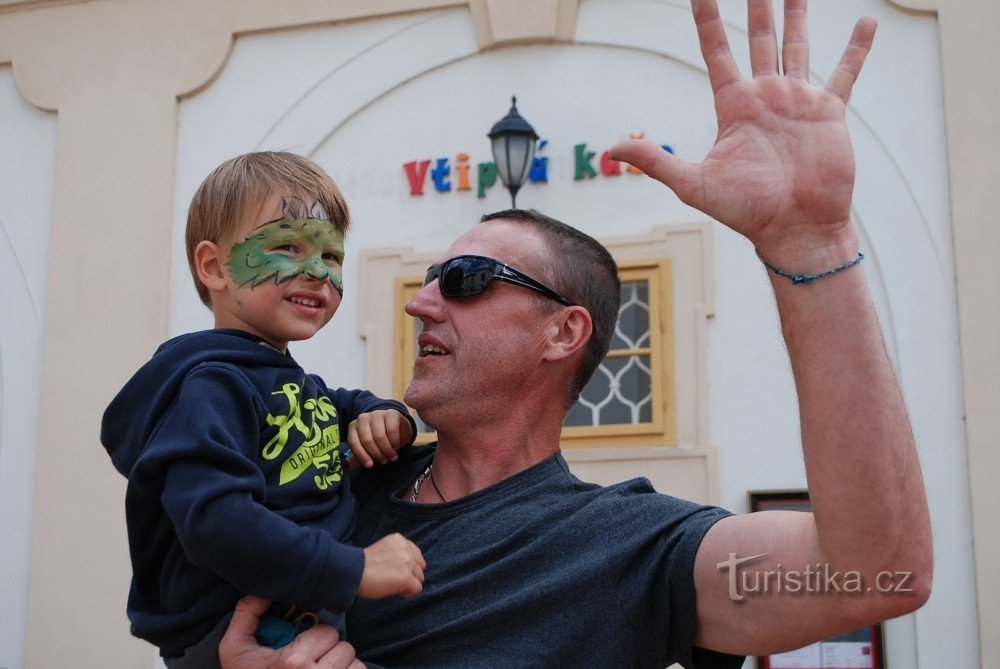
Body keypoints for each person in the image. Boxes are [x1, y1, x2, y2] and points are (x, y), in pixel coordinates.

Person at [220, 0, 933, 666]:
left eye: (464, 278)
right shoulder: (334, 479)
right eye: (428, 278)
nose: (422, 304)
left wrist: (814, 242)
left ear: (563, 332)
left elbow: (872, 576)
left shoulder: (629, 548)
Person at [101, 152, 426, 667]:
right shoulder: (211, 384)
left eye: (333, 256)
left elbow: (342, 404)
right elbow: (215, 519)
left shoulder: (286, 381)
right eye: (287, 247)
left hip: (296, 609)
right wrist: (353, 569)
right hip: (233, 625)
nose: (318, 270)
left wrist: (388, 416)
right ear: (214, 267)